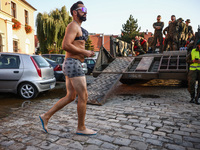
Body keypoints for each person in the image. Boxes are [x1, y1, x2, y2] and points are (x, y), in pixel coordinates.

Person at [39, 1, 97, 135]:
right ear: (75, 12)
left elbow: (75, 45)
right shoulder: (73, 25)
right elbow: (65, 45)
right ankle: (81, 128)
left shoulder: (78, 27)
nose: (85, 11)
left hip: (70, 63)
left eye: (86, 9)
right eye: (82, 9)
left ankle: (45, 116)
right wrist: (85, 52)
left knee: (71, 96)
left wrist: (85, 51)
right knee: (83, 96)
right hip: (73, 64)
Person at [186, 39, 200, 105]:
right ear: (198, 45)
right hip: (193, 70)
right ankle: (192, 97)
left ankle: (197, 98)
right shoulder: (193, 51)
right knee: (191, 83)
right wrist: (193, 61)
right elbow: (187, 60)